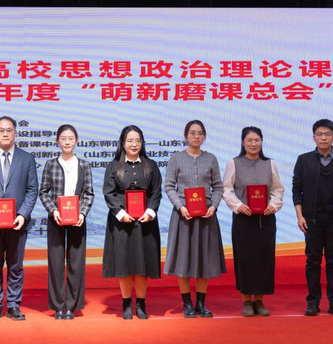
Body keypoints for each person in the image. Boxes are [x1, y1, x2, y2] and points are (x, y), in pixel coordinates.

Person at [0, 116, 39, 321]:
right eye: (1, 130)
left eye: (9, 130)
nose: (5, 134)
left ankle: (13, 305)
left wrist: (23, 214)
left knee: (15, 266)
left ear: (15, 133)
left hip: (18, 223)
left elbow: (32, 190)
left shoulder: (27, 159)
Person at [292, 119, 333, 318]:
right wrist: (300, 216)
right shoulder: (304, 160)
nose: (323, 138)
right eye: (319, 134)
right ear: (314, 137)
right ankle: (312, 302)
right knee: (312, 262)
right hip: (311, 221)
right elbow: (297, 190)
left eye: (327, 134)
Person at [163, 120, 226, 318]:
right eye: (192, 133)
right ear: (186, 136)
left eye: (200, 133)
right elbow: (169, 186)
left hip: (206, 216)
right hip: (184, 216)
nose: (196, 136)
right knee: (183, 260)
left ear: (204, 136)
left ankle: (201, 303)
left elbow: (218, 186)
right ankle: (187, 304)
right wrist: (180, 207)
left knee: (203, 260)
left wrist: (214, 206)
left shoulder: (211, 159)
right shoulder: (176, 158)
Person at [223, 126, 284, 317]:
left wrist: (274, 205)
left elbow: (277, 189)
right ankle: (246, 301)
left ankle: (259, 300)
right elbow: (227, 189)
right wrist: (238, 205)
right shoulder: (234, 163)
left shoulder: (270, 163)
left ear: (262, 142)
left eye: (257, 140)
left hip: (266, 219)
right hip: (244, 219)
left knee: (263, 260)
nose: (253, 144)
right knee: (245, 260)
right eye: (249, 140)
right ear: (243, 142)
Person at [103, 125, 162, 320]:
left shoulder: (151, 165)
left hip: (146, 222)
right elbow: (109, 193)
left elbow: (156, 192)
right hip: (122, 223)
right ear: (122, 143)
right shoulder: (113, 166)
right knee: (124, 264)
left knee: (143, 265)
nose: (134, 144)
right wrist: (120, 214)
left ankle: (141, 304)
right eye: (130, 141)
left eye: (138, 140)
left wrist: (150, 212)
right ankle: (127, 303)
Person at [39, 124, 95, 320]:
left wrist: (82, 213)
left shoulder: (84, 165)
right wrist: (53, 210)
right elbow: (43, 192)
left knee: (76, 263)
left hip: (77, 220)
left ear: (76, 141)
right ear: (57, 142)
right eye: (63, 138)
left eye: (71, 138)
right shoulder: (51, 164)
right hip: (56, 219)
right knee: (56, 263)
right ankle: (57, 306)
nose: (67, 142)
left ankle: (72, 306)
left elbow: (89, 193)